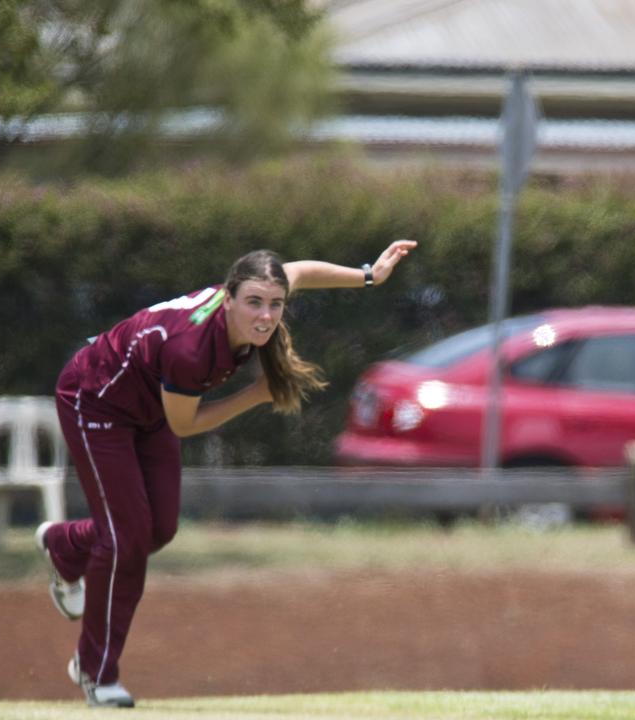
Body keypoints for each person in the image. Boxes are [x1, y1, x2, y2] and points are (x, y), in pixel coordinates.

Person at [34, 240, 417, 707]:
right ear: (228, 298)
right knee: (125, 541)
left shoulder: (260, 295)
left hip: (148, 408)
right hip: (95, 401)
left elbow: (298, 271)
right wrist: (256, 395)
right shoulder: (190, 350)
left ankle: (64, 546)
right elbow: (185, 424)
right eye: (253, 302)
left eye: (275, 304)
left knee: (158, 530)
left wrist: (369, 275)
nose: (265, 315)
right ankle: (97, 672)